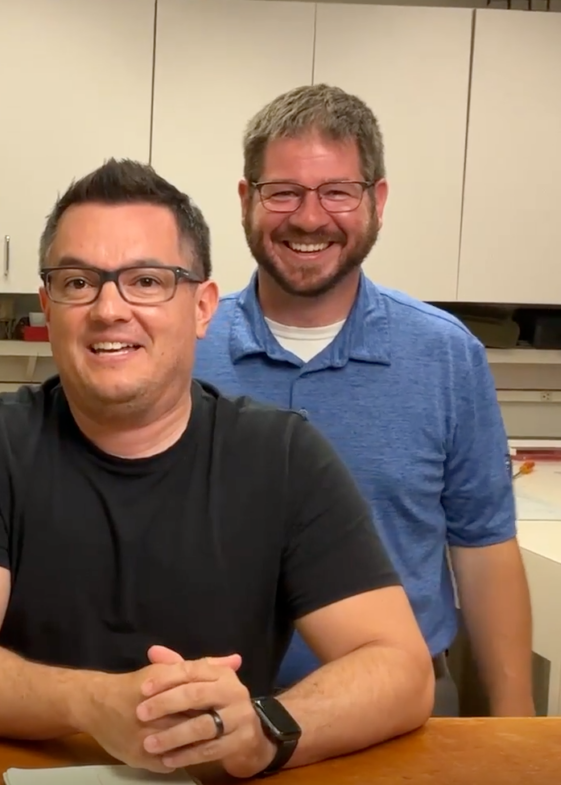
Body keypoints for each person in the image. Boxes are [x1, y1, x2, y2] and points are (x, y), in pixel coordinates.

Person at [0, 158, 434, 779]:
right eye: (78, 282)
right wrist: (92, 703)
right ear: (48, 307)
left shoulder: (282, 456)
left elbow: (400, 668)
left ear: (203, 307)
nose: (108, 309)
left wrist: (262, 731)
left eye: (147, 281)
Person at [193, 84, 534, 717]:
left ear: (376, 200)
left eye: (337, 192)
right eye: (284, 191)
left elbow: (483, 549)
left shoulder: (445, 355)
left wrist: (516, 729)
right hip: (211, 710)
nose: (310, 218)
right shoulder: (184, 345)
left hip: (402, 712)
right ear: (246, 199)